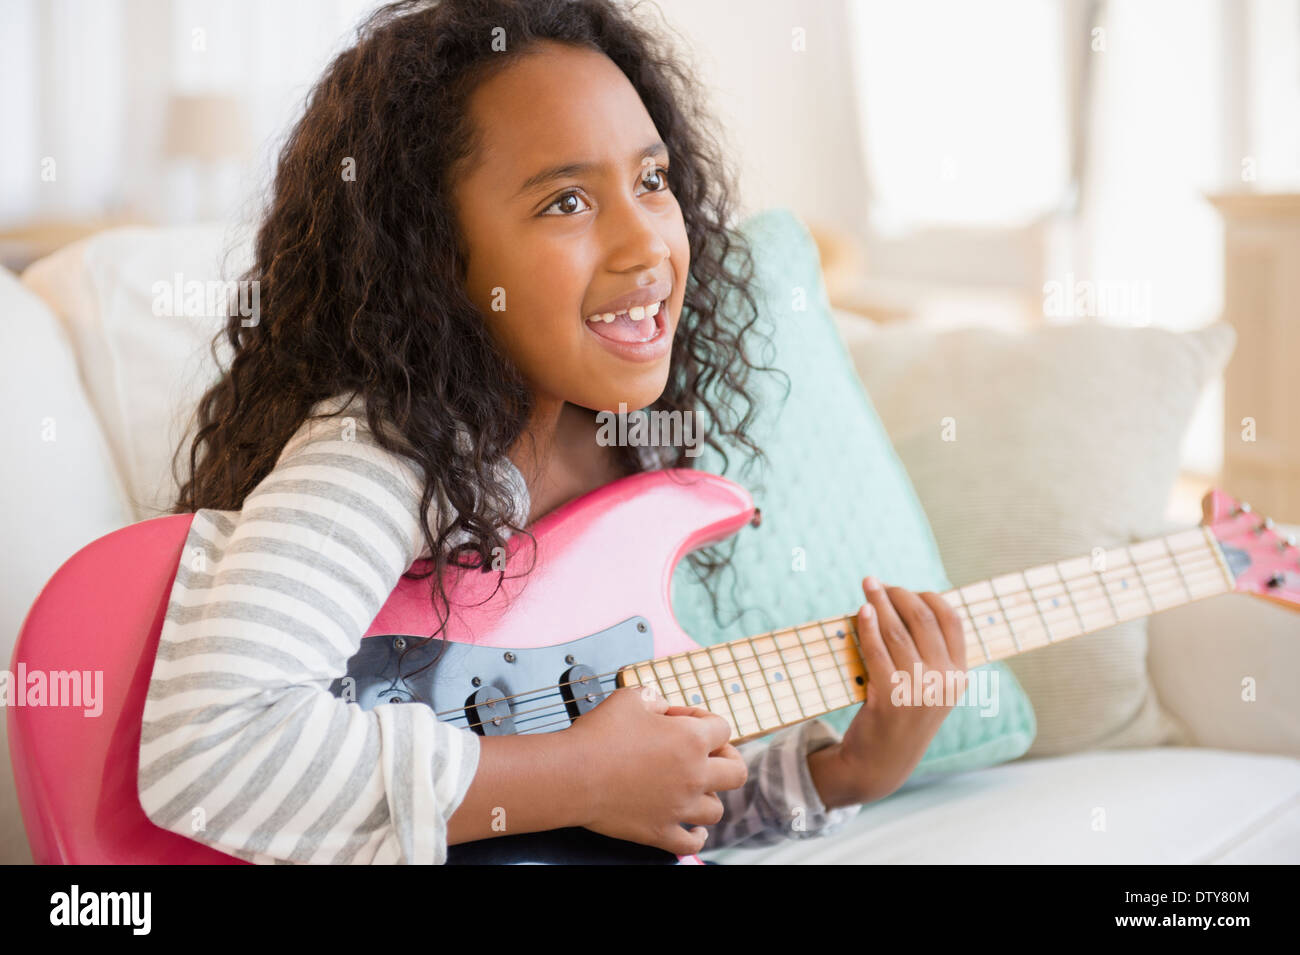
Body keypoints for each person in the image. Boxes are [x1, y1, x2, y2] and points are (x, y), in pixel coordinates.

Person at [139, 0, 968, 865]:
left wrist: (847, 770)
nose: (646, 240)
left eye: (652, 180)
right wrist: (578, 775)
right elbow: (210, 749)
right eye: (567, 201)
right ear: (433, 257)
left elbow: (633, 803)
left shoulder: (625, 447)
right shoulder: (379, 454)